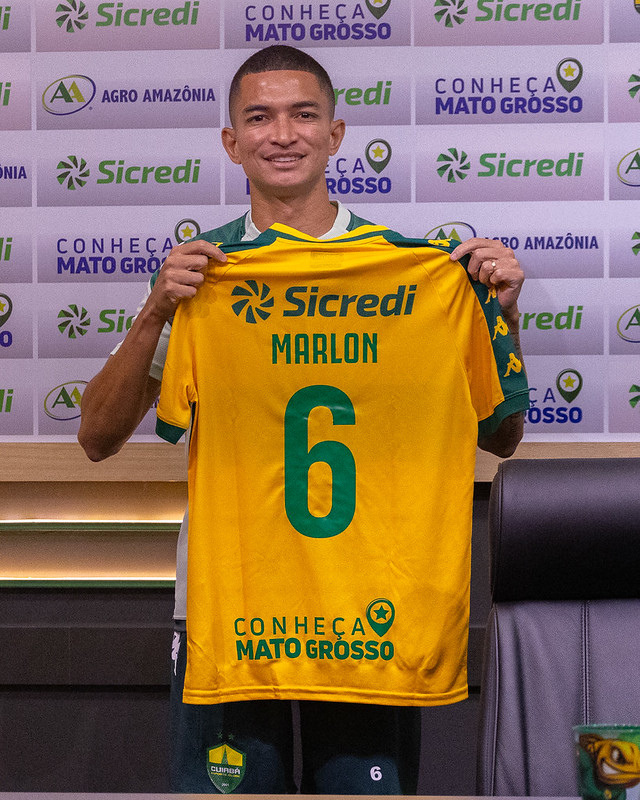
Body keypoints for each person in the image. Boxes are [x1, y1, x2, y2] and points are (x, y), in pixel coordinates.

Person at [78, 45, 528, 795]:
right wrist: (157, 309)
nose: (281, 133)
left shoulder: (411, 270)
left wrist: (500, 318)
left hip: (366, 616)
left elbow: (500, 435)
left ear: (335, 133)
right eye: (258, 117)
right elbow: (96, 437)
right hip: (233, 615)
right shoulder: (204, 276)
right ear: (232, 142)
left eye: (302, 114)